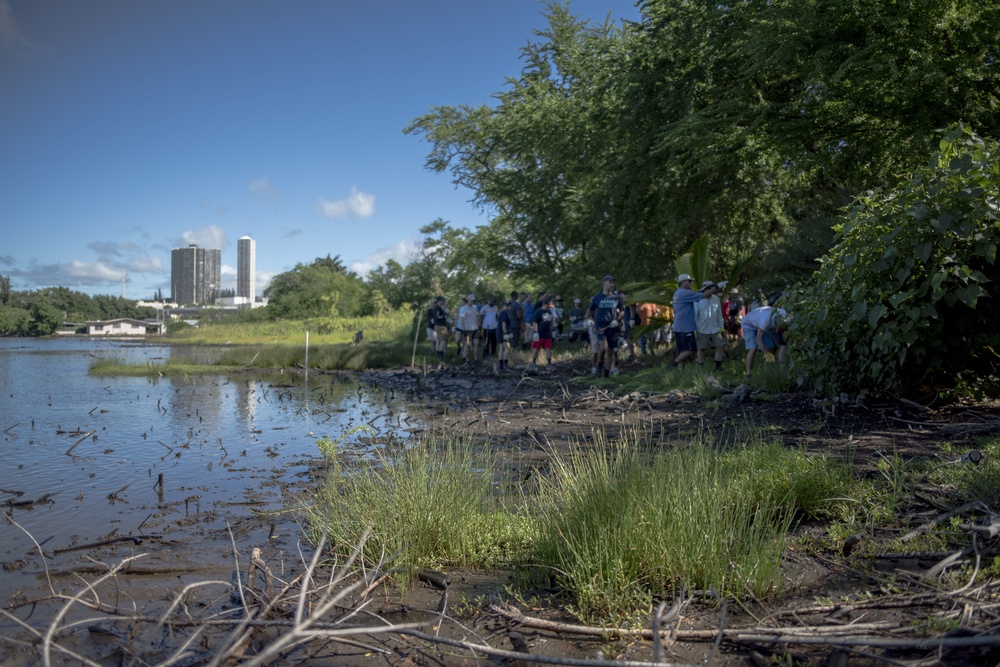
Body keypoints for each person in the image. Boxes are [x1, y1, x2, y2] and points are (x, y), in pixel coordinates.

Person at [670, 274, 721, 369]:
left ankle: (681, 371)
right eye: (688, 281)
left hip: (679, 326)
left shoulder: (677, 293)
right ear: (682, 282)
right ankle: (673, 365)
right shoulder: (685, 293)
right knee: (690, 350)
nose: (690, 283)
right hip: (685, 327)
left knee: (683, 350)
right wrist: (717, 287)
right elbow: (704, 295)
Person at [586, 275, 624, 378]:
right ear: (604, 283)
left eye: (613, 282)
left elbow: (622, 311)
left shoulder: (617, 298)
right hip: (600, 326)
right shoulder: (597, 297)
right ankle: (599, 366)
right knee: (603, 347)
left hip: (613, 327)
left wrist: (617, 320)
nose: (612, 284)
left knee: (611, 351)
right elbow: (589, 311)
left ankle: (606, 375)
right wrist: (589, 320)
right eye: (610, 282)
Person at [741, 305, 788, 376]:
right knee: (753, 348)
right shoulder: (766, 319)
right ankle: (748, 374)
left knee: (770, 346)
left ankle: (768, 373)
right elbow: (758, 340)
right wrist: (768, 355)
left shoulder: (782, 313)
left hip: (763, 323)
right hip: (749, 324)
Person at [695, 280, 727, 371]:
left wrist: (722, 327)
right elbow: (695, 315)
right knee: (701, 348)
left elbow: (719, 314)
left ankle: (718, 366)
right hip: (702, 328)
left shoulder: (716, 299)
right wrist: (696, 328)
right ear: (705, 289)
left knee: (719, 346)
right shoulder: (698, 299)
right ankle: (701, 367)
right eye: (709, 288)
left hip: (715, 328)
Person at [531, 297, 556, 369]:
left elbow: (550, 322)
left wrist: (553, 330)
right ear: (544, 305)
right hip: (539, 333)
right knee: (536, 348)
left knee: (548, 348)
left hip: (547, 333)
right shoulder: (538, 312)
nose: (549, 308)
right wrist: (535, 332)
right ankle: (533, 362)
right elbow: (535, 322)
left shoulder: (549, 312)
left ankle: (549, 363)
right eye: (548, 306)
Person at [457, 294, 480, 366]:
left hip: (475, 328)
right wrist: (463, 329)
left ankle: (476, 359)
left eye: (473, 300)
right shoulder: (464, 309)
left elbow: (476, 316)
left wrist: (478, 324)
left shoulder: (475, 307)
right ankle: (465, 357)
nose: (472, 302)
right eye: (471, 300)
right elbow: (462, 319)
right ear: (468, 300)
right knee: (467, 344)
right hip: (467, 330)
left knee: (476, 343)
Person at [429, 296, 450, 361]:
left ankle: (438, 353)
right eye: (443, 301)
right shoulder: (437, 308)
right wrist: (444, 316)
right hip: (440, 326)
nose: (443, 302)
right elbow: (437, 317)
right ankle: (440, 354)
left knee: (438, 340)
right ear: (439, 301)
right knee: (443, 340)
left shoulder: (437, 308)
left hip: (438, 325)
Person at [497, 300, 514, 370]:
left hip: (499, 331)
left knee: (501, 347)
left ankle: (501, 364)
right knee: (507, 347)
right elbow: (503, 323)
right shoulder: (504, 313)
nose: (508, 306)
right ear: (503, 306)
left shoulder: (505, 313)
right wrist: (505, 333)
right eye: (507, 305)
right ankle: (505, 363)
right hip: (502, 332)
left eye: (509, 305)